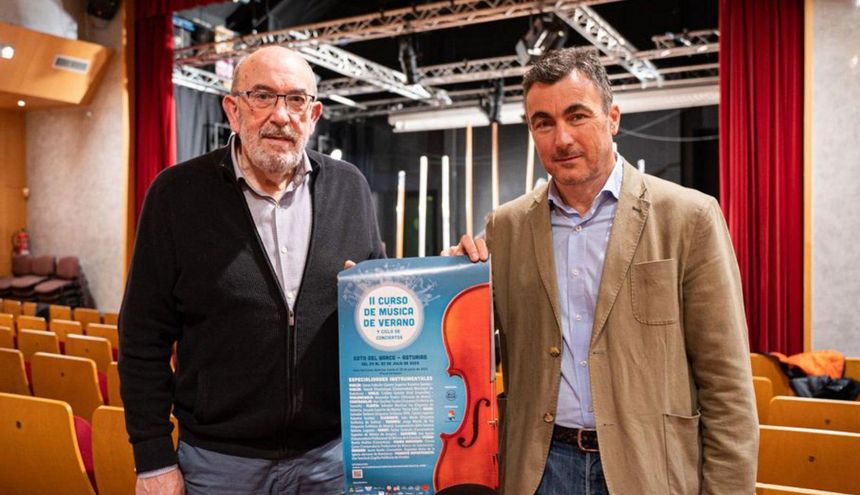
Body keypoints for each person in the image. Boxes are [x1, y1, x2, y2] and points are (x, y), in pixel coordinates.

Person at [449, 47, 758, 494]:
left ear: (612, 118)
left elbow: (727, 384)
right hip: (539, 469)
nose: (562, 139)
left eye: (577, 116)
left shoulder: (689, 217)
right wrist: (447, 284)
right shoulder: (506, 227)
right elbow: (471, 355)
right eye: (544, 123)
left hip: (648, 467)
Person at [119, 46, 384, 495]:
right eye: (263, 96)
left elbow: (377, 305)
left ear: (314, 114)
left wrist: (445, 276)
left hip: (330, 459)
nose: (281, 115)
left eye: (296, 100)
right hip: (219, 465)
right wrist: (152, 458)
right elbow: (143, 335)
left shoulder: (350, 187)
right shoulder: (176, 195)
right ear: (233, 109)